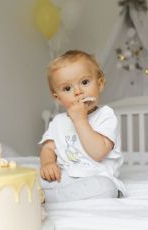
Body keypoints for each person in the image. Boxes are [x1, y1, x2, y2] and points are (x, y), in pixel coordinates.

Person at [39, 50, 125, 203]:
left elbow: (98, 153)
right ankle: (49, 193)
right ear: (58, 98)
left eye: (85, 82)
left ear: (100, 84)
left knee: (106, 188)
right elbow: (48, 148)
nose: (78, 92)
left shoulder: (106, 116)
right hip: (66, 176)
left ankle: (50, 198)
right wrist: (48, 164)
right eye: (67, 88)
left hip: (95, 177)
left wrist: (80, 120)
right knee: (32, 177)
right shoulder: (58, 121)